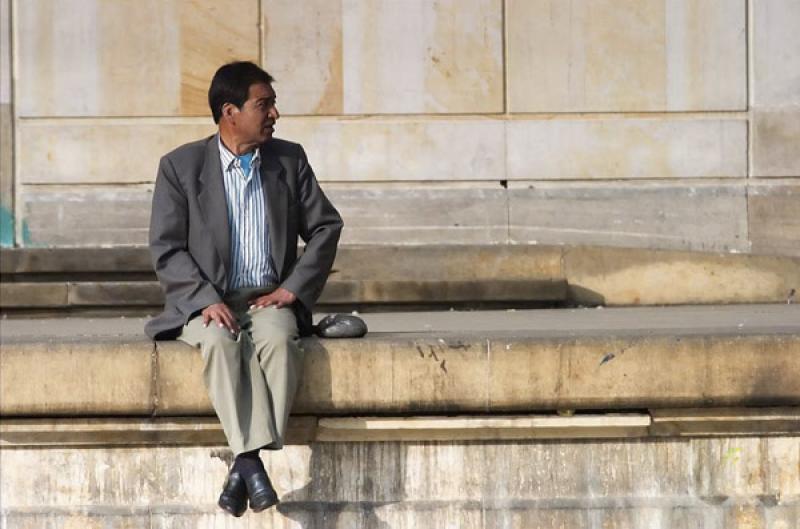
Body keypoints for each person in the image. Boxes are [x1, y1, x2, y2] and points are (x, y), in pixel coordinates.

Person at [145, 61, 343, 516]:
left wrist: (293, 290)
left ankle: (243, 462)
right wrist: (204, 299)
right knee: (218, 342)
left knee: (277, 337)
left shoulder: (289, 160)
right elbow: (167, 247)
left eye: (272, 105)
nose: (275, 114)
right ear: (229, 111)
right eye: (264, 105)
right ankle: (251, 461)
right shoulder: (180, 167)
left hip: (267, 295)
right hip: (204, 300)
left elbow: (326, 227)